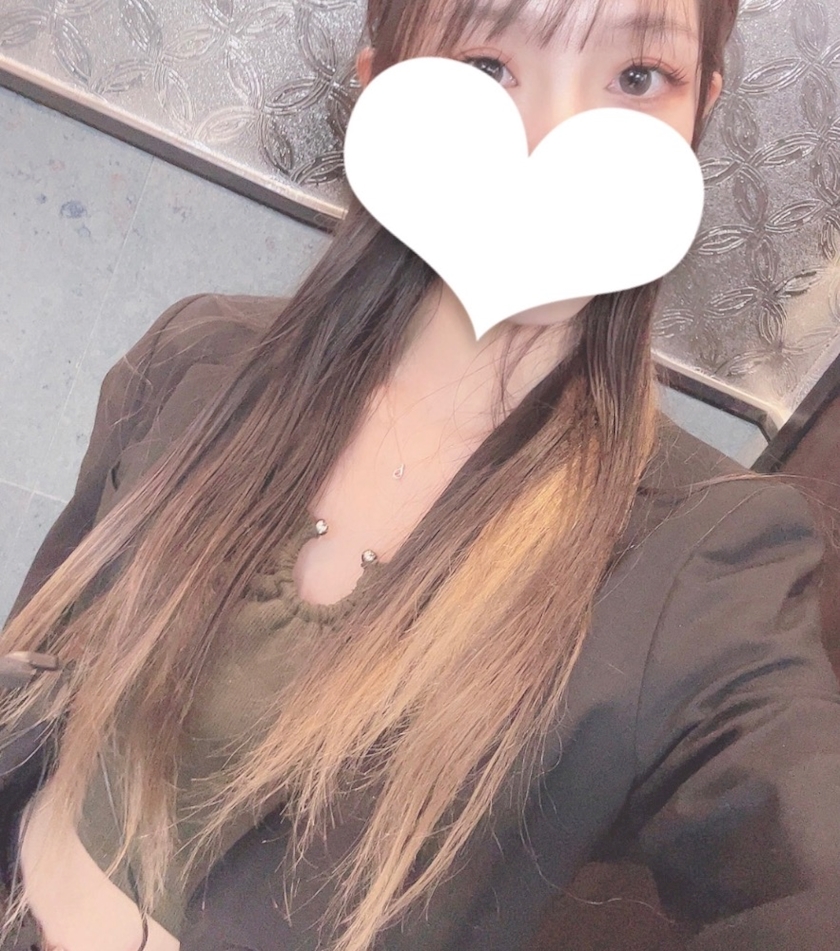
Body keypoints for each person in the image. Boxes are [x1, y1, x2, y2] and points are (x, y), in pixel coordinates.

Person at [1, 0, 839, 949]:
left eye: (637, 78)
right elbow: (39, 679)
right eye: (487, 68)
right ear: (379, 87)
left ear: (698, 118)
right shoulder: (196, 358)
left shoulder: (707, 560)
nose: (552, 144)